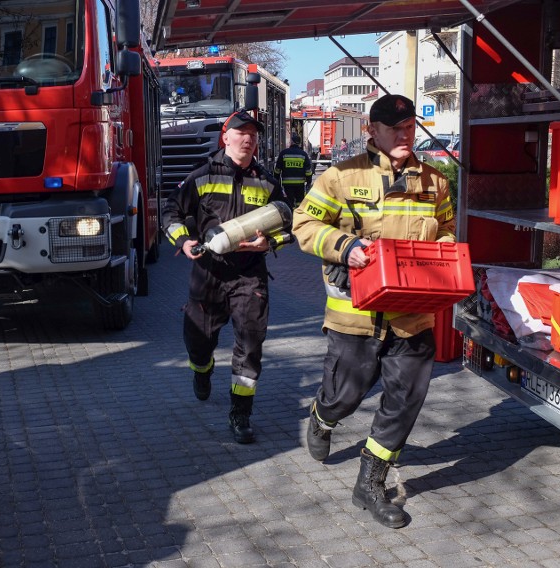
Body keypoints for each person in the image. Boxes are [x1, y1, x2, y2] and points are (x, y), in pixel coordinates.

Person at [292, 94, 455, 528]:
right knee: (345, 395)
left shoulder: (434, 182)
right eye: (394, 128)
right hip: (355, 316)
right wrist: (346, 248)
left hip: (411, 315)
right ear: (372, 130)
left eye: (409, 127)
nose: (405, 135)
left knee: (405, 401)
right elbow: (304, 225)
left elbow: (447, 230)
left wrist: (441, 252)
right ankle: (323, 416)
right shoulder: (341, 178)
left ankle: (370, 484)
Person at [162, 110, 293, 445]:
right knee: (198, 340)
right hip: (209, 272)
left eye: (253, 134)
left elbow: (291, 223)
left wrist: (270, 242)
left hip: (249, 276)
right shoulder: (202, 175)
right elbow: (170, 212)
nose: (248, 139)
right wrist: (183, 240)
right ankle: (201, 369)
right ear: (226, 137)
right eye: (241, 132)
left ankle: (240, 413)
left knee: (250, 344)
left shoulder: (266, 181)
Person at [274, 133, 313, 206]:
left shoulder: (284, 153)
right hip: (300, 184)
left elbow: (277, 170)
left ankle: (290, 215)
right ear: (299, 143)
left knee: (289, 202)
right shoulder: (303, 154)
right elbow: (308, 171)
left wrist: (276, 182)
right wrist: (308, 182)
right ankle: (298, 214)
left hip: (287, 184)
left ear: (291, 142)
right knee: (299, 202)